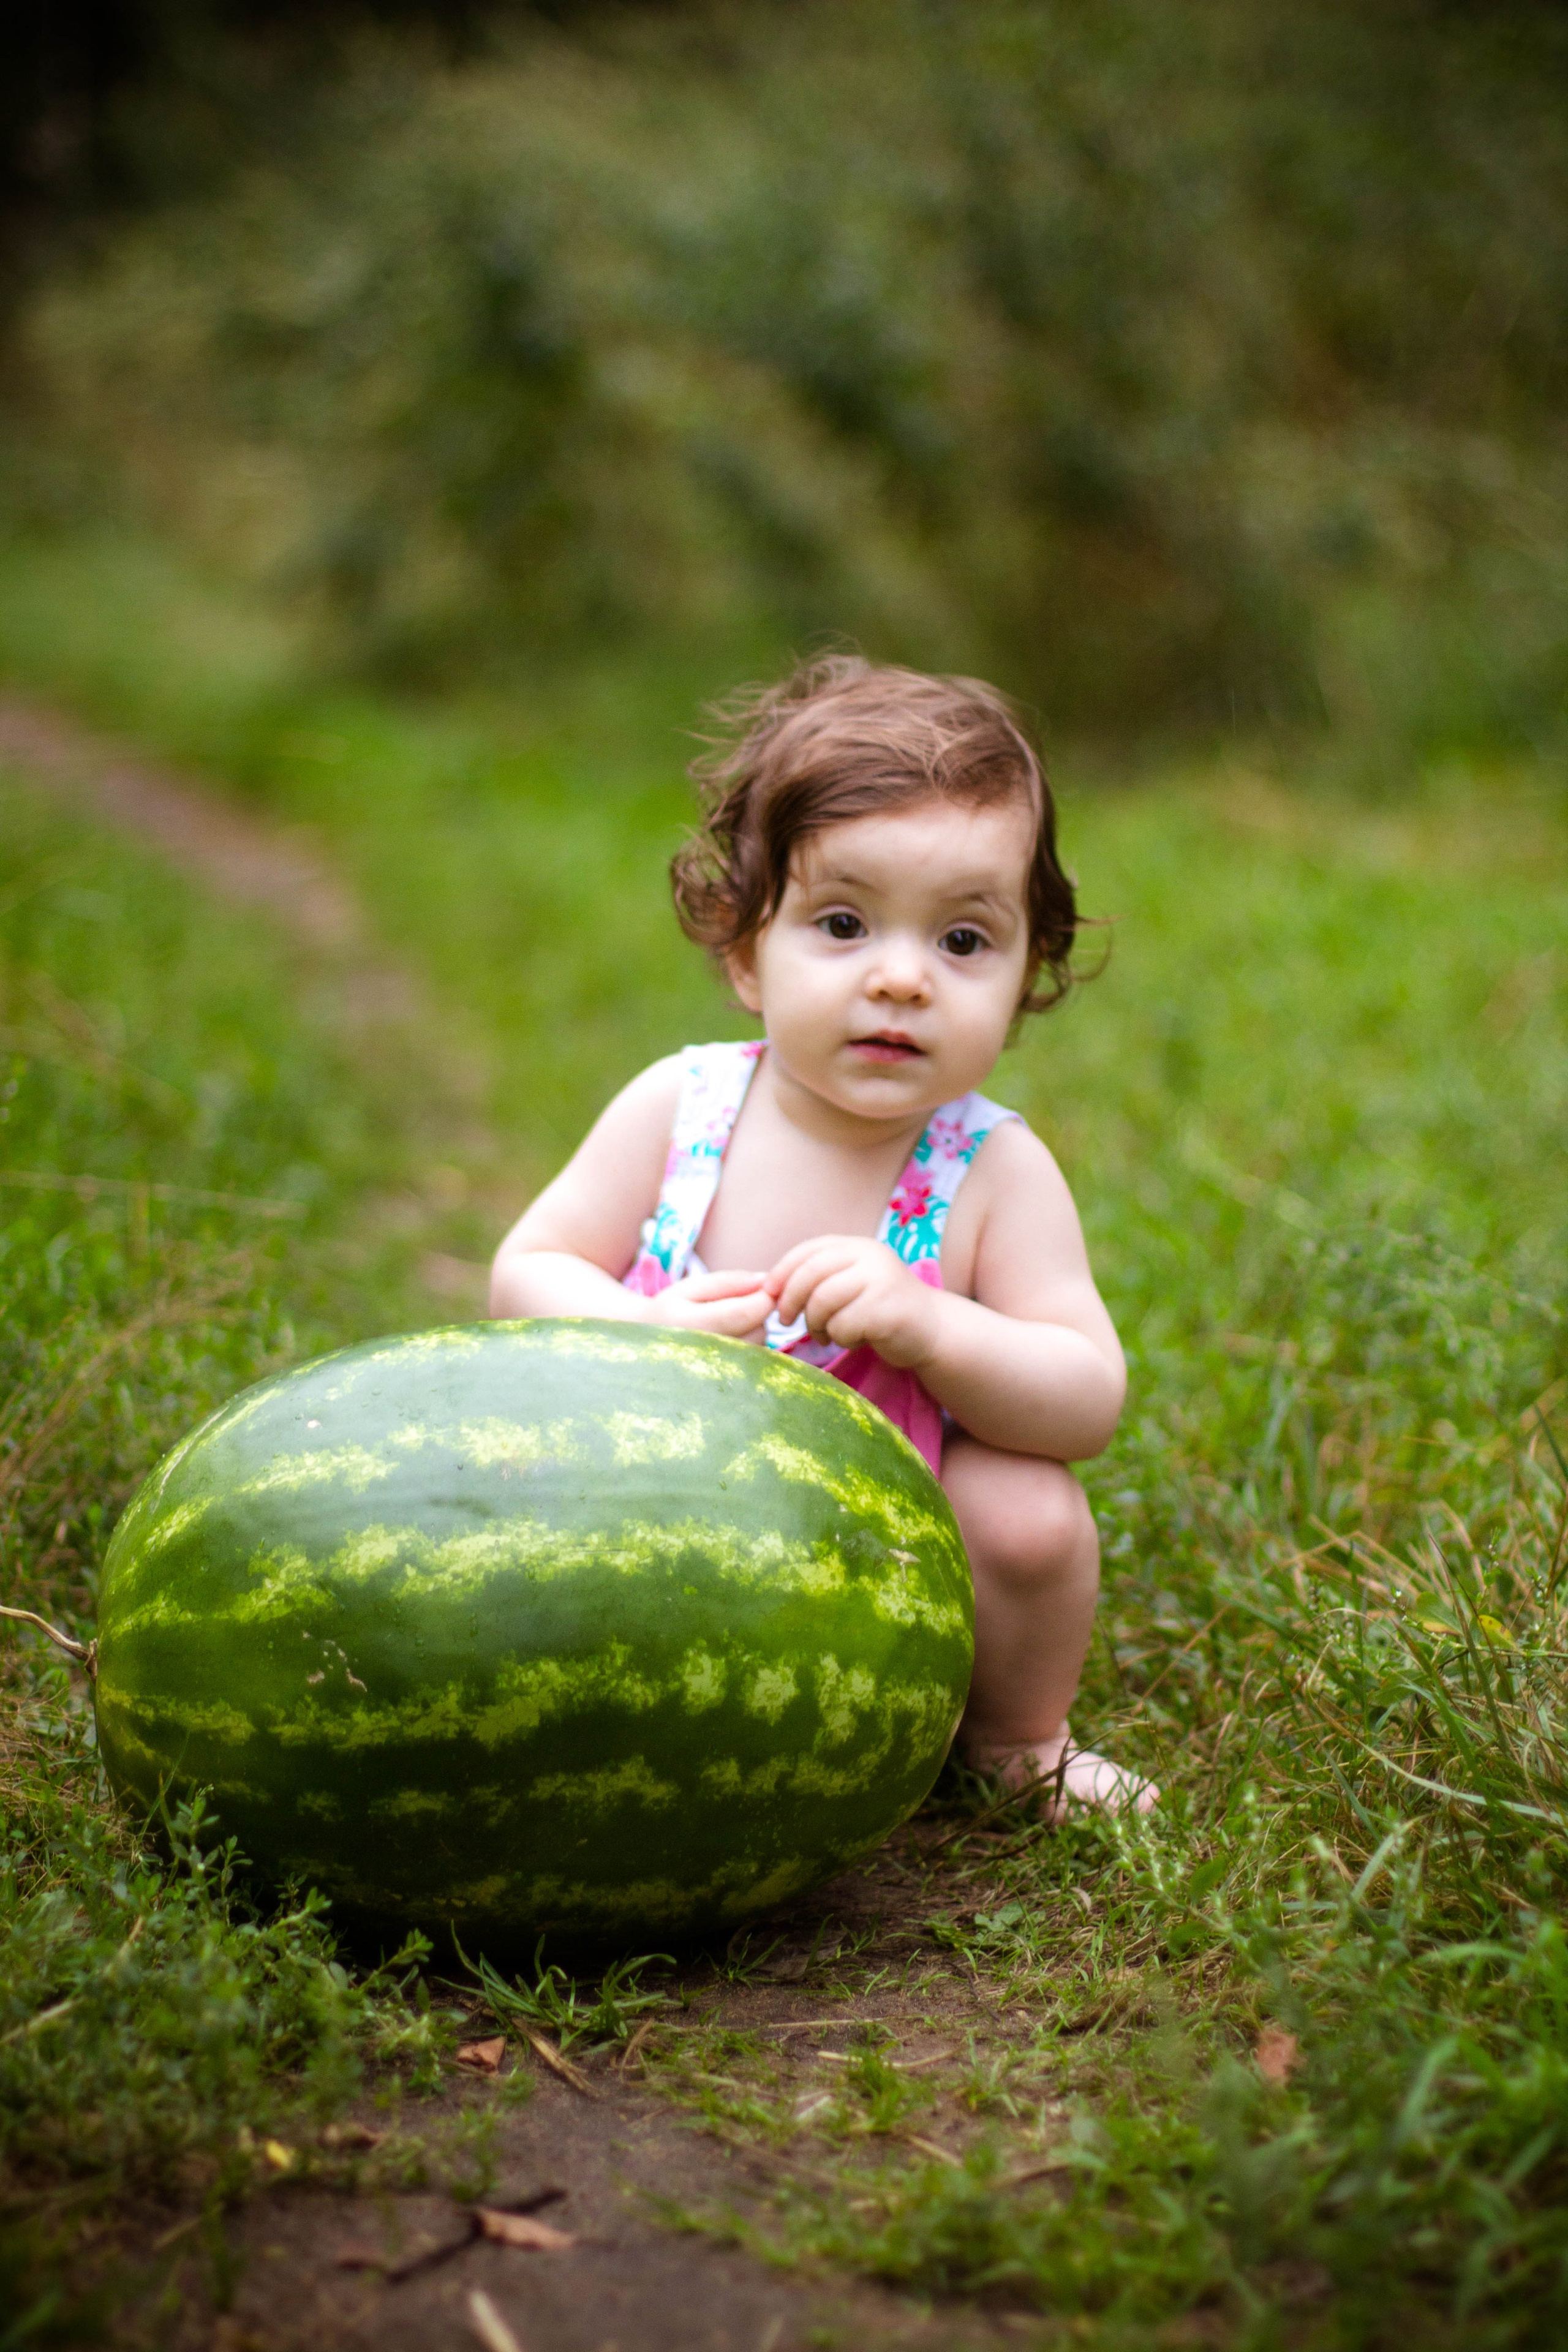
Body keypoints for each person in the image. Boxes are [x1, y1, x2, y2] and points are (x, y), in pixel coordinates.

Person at [490, 655, 1154, 1817]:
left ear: (1027, 973)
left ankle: (1014, 1739)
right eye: (844, 925)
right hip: (651, 1507)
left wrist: (934, 1328)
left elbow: (1086, 1395)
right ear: (747, 952)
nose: (901, 979)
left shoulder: (990, 1169)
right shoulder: (680, 1107)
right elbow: (525, 1272)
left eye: (963, 941)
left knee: (1031, 1515)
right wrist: (640, 1328)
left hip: (878, 1549)